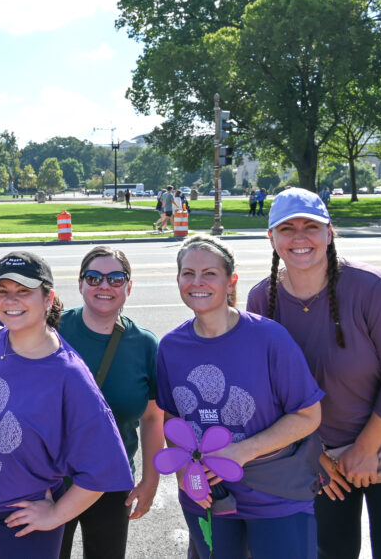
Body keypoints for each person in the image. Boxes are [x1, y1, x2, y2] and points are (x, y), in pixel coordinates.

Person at [247, 188, 381, 558]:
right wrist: (313, 453)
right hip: (321, 456)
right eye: (287, 228)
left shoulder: (373, 290)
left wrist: (366, 449)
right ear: (271, 238)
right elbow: (269, 392)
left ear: (330, 233)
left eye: (311, 226)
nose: (300, 237)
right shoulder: (262, 300)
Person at [0, 251, 134, 558]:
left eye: (24, 291)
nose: (11, 301)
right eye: (3, 292)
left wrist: (55, 515)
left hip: (22, 529)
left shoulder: (68, 376)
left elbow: (104, 469)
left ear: (48, 298)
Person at [157, 234, 323, 559]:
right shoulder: (170, 346)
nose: (197, 282)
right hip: (209, 493)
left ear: (231, 281)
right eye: (188, 273)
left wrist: (241, 451)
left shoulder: (269, 338)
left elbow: (308, 415)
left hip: (276, 491)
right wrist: (183, 473)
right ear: (178, 280)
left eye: (210, 273)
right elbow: (173, 418)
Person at [56, 247, 163, 559]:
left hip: (112, 481)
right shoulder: (53, 331)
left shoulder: (144, 344)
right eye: (94, 277)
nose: (104, 286)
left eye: (116, 279)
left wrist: (150, 482)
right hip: (51, 480)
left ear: (129, 287)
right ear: (80, 284)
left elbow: (154, 418)